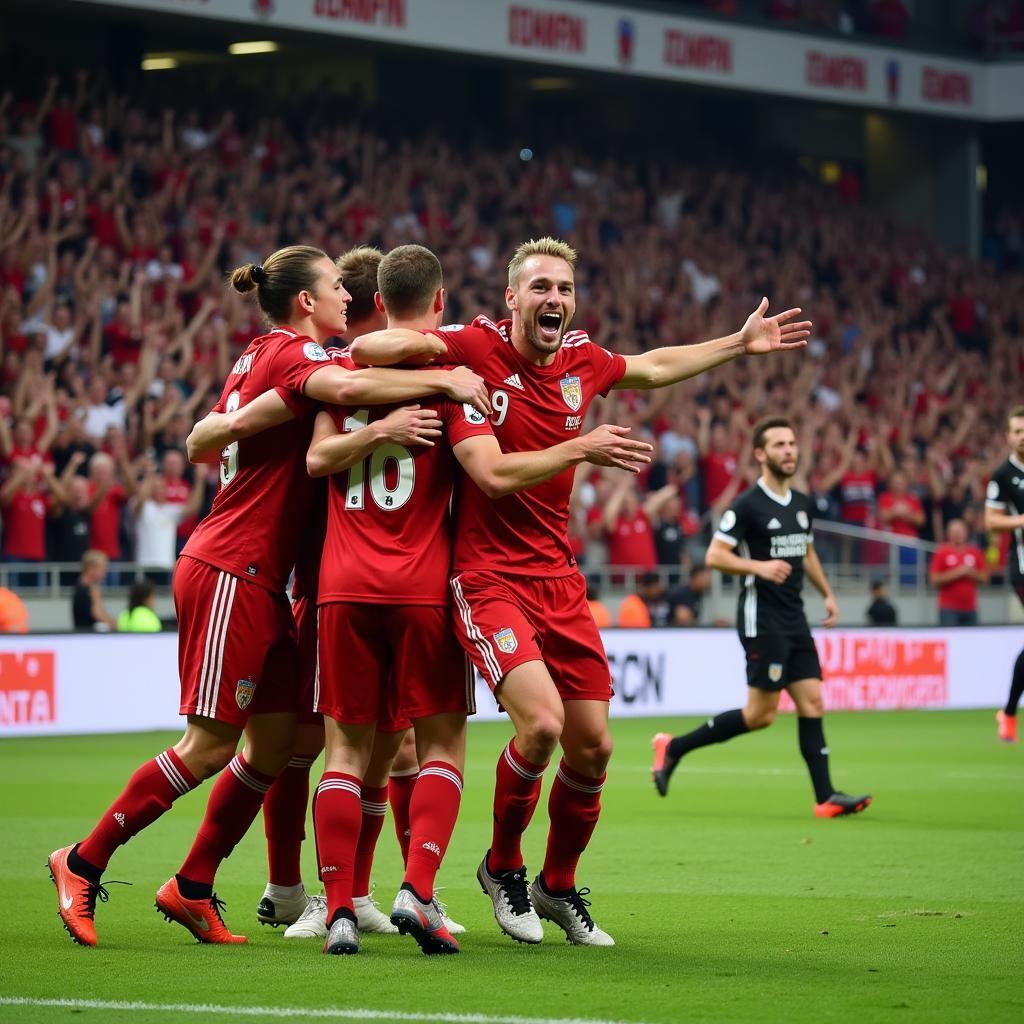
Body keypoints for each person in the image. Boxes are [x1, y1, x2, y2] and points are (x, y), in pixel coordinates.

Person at [350, 236, 810, 945]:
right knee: (541, 725)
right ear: (510, 299)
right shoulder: (471, 348)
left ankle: (556, 886)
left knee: (593, 748)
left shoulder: (581, 361)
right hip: (486, 575)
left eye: (563, 289)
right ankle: (502, 867)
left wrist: (738, 345)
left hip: (558, 579)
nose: (554, 300)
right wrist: (575, 443)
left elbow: (653, 367)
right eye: (539, 288)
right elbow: (474, 456)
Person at [48, 243, 492, 949]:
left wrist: (222, 426)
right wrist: (447, 381)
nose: (349, 298)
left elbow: (208, 436)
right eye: (336, 291)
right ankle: (81, 859)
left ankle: (193, 885)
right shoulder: (297, 354)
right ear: (306, 302)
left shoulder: (267, 356)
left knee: (284, 741)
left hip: (262, 575)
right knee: (207, 746)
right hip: (233, 566)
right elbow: (342, 392)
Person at [651, 417, 871, 818]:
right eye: (780, 445)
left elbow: (807, 552)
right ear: (760, 454)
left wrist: (827, 594)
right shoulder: (747, 505)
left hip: (795, 617)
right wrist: (759, 568)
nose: (789, 450)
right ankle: (674, 746)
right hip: (761, 620)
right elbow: (716, 555)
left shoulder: (802, 504)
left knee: (813, 700)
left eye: (792, 443)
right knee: (760, 716)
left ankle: (825, 798)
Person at [984, 406, 1024, 743]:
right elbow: (991, 522)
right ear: (1008, 437)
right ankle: (1009, 713)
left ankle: (1009, 711)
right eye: (1017, 431)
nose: (1023, 436)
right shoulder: (1003, 475)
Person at [929, 518, 987, 627]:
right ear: (948, 534)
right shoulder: (942, 552)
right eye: (954, 532)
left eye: (960, 531)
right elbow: (934, 579)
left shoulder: (975, 552)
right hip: (948, 609)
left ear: (966, 532)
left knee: (971, 640)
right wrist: (958, 573)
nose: (957, 534)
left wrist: (970, 573)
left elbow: (984, 578)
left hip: (970, 608)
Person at [71, 549, 114, 631]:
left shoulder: (90, 587)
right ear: (91, 568)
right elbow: (96, 613)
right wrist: (114, 625)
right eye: (103, 567)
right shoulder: (83, 590)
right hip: (86, 637)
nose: (105, 572)